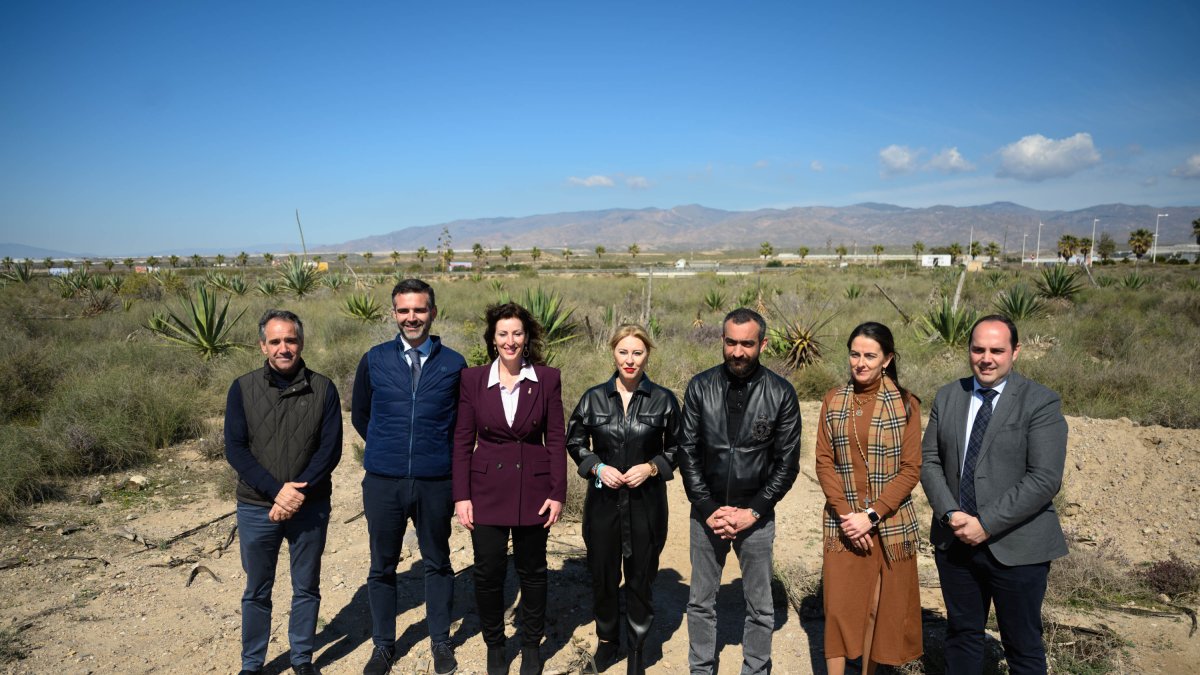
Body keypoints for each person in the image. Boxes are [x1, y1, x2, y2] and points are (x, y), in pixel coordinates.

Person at [920, 314, 1068, 674]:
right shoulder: (949, 396)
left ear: (1015, 352)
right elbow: (929, 461)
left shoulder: (1040, 402)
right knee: (962, 636)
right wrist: (951, 514)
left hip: (1017, 547)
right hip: (956, 541)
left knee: (1022, 645)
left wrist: (985, 523)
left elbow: (1044, 478)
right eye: (978, 349)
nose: (986, 358)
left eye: (996, 351)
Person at [352, 279, 467, 675]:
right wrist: (389, 448)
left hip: (435, 480)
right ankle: (383, 646)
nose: (411, 317)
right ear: (394, 313)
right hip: (384, 481)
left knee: (438, 561)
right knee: (382, 565)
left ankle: (440, 640)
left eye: (419, 309)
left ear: (433, 312)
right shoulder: (374, 359)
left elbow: (460, 423)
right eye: (404, 310)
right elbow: (361, 415)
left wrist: (432, 456)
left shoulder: (454, 364)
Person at [679, 307, 801, 675]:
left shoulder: (781, 393)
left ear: (762, 344)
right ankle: (701, 669)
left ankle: (756, 669)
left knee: (760, 606)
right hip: (707, 515)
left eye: (747, 344)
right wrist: (707, 507)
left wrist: (753, 511)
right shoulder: (700, 387)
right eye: (731, 342)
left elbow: (787, 463)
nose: (737, 351)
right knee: (700, 602)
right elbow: (687, 451)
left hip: (756, 517)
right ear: (722, 340)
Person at [225, 309, 343, 675]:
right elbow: (236, 449)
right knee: (257, 589)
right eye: (275, 341)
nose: (283, 348)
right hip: (256, 506)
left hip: (310, 506)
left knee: (306, 586)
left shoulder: (323, 388)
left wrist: (296, 495)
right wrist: (278, 492)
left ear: (301, 342)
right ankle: (252, 664)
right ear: (263, 346)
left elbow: (329, 451)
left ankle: (302, 659)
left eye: (290, 340)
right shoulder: (242, 388)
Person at [452, 302, 567, 675]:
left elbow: (556, 439)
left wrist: (558, 492)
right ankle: (495, 645)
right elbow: (462, 440)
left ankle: (531, 645)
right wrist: (461, 496)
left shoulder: (547, 378)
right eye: (503, 334)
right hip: (485, 490)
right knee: (488, 572)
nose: (510, 341)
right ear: (492, 339)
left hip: (534, 490)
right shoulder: (472, 379)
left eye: (517, 333)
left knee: (533, 571)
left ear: (527, 337)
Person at [566, 324, 682, 675]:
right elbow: (575, 441)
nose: (630, 360)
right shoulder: (593, 398)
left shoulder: (663, 400)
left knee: (640, 577)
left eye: (637, 352)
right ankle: (607, 642)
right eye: (623, 352)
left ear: (647, 355)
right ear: (613, 353)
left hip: (647, 505)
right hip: (602, 505)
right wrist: (597, 467)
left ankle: (636, 649)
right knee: (603, 576)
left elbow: (680, 446)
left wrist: (652, 467)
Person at [814, 322, 922, 675]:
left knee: (878, 610)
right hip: (843, 523)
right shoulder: (833, 400)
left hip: (889, 523)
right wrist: (849, 517)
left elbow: (911, 469)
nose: (860, 363)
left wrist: (871, 516)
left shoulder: (906, 404)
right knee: (838, 611)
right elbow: (824, 462)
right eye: (855, 354)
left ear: (887, 359)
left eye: (870, 356)